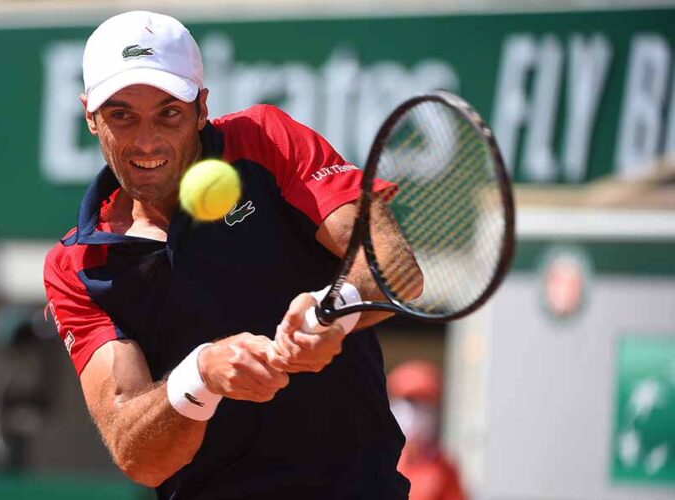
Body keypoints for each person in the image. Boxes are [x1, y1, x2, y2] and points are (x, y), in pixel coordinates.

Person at [43, 10, 421, 499]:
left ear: (201, 108)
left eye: (169, 112)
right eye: (121, 115)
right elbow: (136, 453)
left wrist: (335, 311)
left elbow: (395, 268)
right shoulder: (75, 267)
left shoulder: (267, 140)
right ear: (91, 117)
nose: (147, 140)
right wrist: (200, 376)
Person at [388, 361, 466, 500]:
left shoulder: (443, 467)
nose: (414, 413)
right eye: (410, 402)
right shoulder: (381, 459)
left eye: (423, 404)